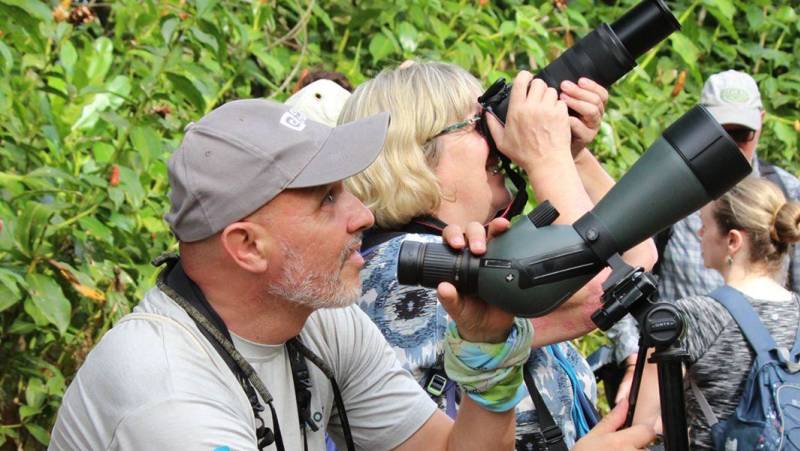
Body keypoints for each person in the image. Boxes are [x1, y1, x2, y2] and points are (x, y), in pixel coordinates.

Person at [49, 99, 653, 451]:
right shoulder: (169, 399)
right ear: (247, 246)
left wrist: (487, 346)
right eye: (327, 199)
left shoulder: (320, 323)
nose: (363, 215)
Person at [339, 61, 656, 449]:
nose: (498, 134)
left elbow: (634, 255)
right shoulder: (405, 270)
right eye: (477, 123)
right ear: (417, 153)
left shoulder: (481, 254)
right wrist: (545, 155)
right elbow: (598, 284)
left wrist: (571, 153)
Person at [655, 176, 800, 449]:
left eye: (704, 224)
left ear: (733, 241)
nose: (699, 234)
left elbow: (650, 419)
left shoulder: (698, 316)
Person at [657, 70, 800, 302]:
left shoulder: (788, 191)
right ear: (701, 125)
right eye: (720, 133)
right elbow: (625, 271)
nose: (731, 146)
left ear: (760, 123)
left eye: (742, 134)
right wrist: (633, 340)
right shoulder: (669, 189)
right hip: (679, 333)